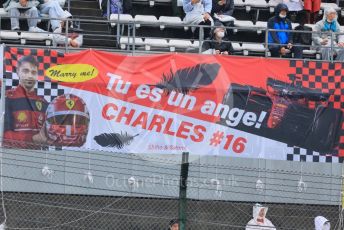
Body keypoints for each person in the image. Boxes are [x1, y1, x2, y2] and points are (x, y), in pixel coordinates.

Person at [4, 56, 48, 149]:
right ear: (17, 72)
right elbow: (4, 135)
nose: (30, 76)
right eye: (25, 71)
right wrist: (32, 139)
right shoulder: (7, 98)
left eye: (33, 72)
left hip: (39, 158)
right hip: (13, 157)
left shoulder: (44, 103)